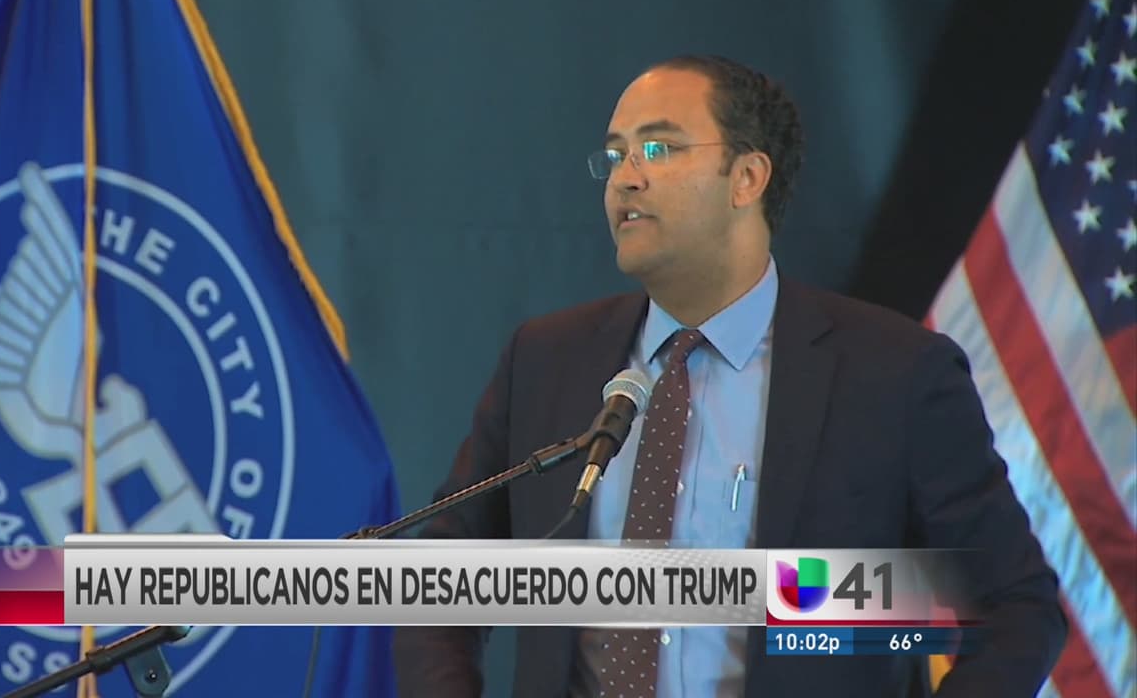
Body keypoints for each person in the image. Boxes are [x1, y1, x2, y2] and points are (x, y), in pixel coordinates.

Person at [392, 54, 1065, 698]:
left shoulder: (894, 374)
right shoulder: (546, 362)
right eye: (615, 155)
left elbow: (1017, 607)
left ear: (747, 178)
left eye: (657, 149)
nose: (625, 178)